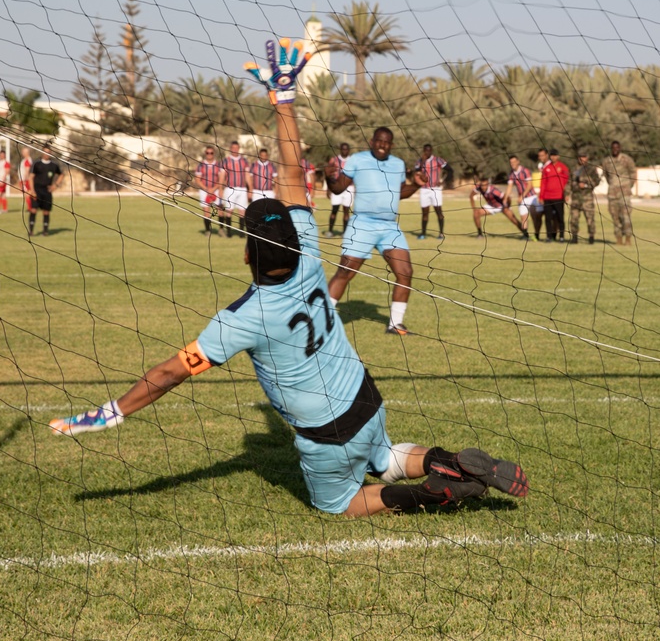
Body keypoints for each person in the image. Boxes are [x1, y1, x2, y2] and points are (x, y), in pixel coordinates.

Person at [50, 38, 528, 517]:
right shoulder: (309, 247)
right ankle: (446, 461)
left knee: (339, 505)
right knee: (383, 457)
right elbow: (291, 170)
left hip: (328, 434)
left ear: (245, 255)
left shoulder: (241, 318)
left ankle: (434, 493)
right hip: (366, 396)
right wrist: (284, 98)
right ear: (294, 239)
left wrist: (109, 413)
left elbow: (168, 374)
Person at [324, 125, 423, 336]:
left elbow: (399, 192)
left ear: (392, 145)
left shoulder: (398, 164)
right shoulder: (357, 160)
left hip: (389, 227)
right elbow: (338, 188)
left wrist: (415, 185)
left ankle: (396, 325)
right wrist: (328, 178)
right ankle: (322, 321)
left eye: (387, 142)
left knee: (405, 272)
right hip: (362, 224)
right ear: (372, 141)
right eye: (379, 141)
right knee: (345, 271)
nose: (382, 145)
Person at [601, 140, 636, 245]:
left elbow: (633, 173)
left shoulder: (627, 159)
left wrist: (628, 186)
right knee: (614, 216)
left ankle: (628, 238)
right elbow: (606, 175)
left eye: (617, 148)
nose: (615, 150)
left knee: (625, 216)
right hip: (612, 193)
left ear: (620, 148)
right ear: (611, 149)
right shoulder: (606, 161)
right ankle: (619, 238)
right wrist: (613, 185)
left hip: (624, 192)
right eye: (613, 148)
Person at [415, 143, 447, 240]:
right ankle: (423, 233)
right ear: (423, 151)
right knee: (425, 213)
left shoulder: (438, 160)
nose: (427, 152)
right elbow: (416, 171)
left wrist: (443, 181)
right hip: (424, 189)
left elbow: (450, 170)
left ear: (431, 151)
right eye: (425, 150)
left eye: (429, 150)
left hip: (435, 190)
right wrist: (423, 161)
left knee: (438, 211)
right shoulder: (420, 161)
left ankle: (441, 233)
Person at [29, 142, 62, 237]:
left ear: (51, 153)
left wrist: (55, 185)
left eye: (48, 152)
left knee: (46, 211)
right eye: (45, 152)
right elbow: (31, 177)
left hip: (47, 191)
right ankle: (31, 231)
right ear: (41, 153)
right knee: (33, 210)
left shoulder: (54, 165)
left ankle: (45, 231)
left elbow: (61, 174)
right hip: (37, 190)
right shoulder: (36, 164)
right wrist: (32, 190)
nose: (46, 154)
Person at [569, 152, 602, 244]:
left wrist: (587, 184)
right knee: (574, 218)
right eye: (580, 157)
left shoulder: (591, 169)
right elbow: (569, 182)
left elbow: (597, 181)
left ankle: (591, 237)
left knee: (590, 218)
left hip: (587, 198)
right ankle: (574, 237)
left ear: (587, 158)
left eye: (584, 157)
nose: (582, 159)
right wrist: (567, 193)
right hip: (576, 197)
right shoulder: (573, 169)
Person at [219, 141, 250, 236]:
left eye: (237, 148)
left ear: (239, 148)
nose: (235, 150)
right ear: (230, 149)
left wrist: (251, 189)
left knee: (242, 210)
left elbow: (247, 175)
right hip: (230, 188)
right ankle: (228, 231)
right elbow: (222, 176)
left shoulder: (244, 161)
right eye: (233, 148)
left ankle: (241, 232)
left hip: (242, 188)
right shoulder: (226, 160)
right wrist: (220, 189)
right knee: (229, 210)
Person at [539, 150, 569, 242]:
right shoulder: (546, 168)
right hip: (547, 197)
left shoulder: (563, 167)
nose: (553, 157)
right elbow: (543, 183)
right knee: (548, 218)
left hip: (558, 196)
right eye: (552, 155)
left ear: (558, 156)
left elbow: (567, 182)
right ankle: (549, 236)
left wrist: (566, 194)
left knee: (560, 217)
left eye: (555, 155)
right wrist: (541, 196)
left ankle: (561, 236)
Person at [328, 142, 353, 236]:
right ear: (340, 149)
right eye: (343, 149)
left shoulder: (353, 161)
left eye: (346, 149)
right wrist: (329, 189)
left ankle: (345, 232)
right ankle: (330, 231)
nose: (345, 151)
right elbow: (328, 174)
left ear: (349, 150)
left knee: (346, 211)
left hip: (349, 188)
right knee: (334, 209)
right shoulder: (334, 160)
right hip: (336, 186)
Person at [195, 145, 221, 235]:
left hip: (216, 190)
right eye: (207, 153)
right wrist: (206, 189)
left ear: (214, 154)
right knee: (206, 211)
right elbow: (197, 179)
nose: (209, 154)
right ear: (205, 154)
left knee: (220, 210)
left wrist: (214, 189)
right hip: (204, 190)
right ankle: (208, 231)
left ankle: (221, 229)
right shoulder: (200, 165)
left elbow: (222, 179)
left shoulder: (219, 165)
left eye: (211, 153)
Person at [507, 155, 535, 230]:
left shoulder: (525, 171)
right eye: (511, 162)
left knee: (535, 217)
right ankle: (525, 235)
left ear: (518, 162)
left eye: (514, 162)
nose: (512, 164)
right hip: (521, 198)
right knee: (523, 217)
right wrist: (505, 198)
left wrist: (522, 196)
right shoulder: (511, 174)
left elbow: (529, 185)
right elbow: (509, 186)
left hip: (531, 197)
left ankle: (537, 234)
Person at [527, 147, 549, 239]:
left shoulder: (551, 166)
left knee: (552, 217)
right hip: (537, 196)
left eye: (542, 155)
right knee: (536, 215)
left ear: (547, 155)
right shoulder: (538, 167)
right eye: (539, 156)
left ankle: (554, 236)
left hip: (548, 196)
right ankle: (537, 235)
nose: (540, 157)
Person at [18, 145, 33, 232]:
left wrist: (24, 179)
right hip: (24, 179)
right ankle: (30, 207)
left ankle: (30, 208)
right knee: (27, 194)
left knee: (27, 194)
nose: (22, 153)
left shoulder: (27, 160)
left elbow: (27, 170)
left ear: (27, 152)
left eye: (23, 152)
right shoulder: (25, 160)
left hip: (25, 180)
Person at [0, 148, 10, 213]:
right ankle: (5, 209)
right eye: (1, 154)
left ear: (5, 155)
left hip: (2, 181)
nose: (1, 156)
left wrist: (3, 180)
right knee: (3, 195)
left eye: (3, 155)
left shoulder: (6, 163)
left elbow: (7, 172)